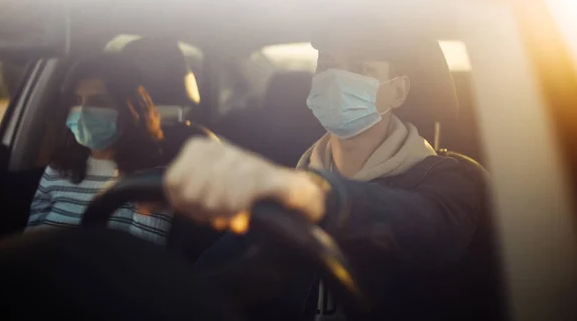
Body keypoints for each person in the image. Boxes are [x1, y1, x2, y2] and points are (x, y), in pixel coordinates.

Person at [164, 37, 482, 319]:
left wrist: (317, 196)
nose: (337, 81)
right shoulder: (289, 179)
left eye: (360, 68)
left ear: (398, 90)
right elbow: (207, 283)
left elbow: (429, 228)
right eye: (327, 66)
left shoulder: (450, 179)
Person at [26, 56, 172, 245]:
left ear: (131, 111)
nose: (83, 111)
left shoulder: (150, 178)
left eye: (99, 102)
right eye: (76, 101)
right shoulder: (57, 168)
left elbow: (141, 259)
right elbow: (28, 242)